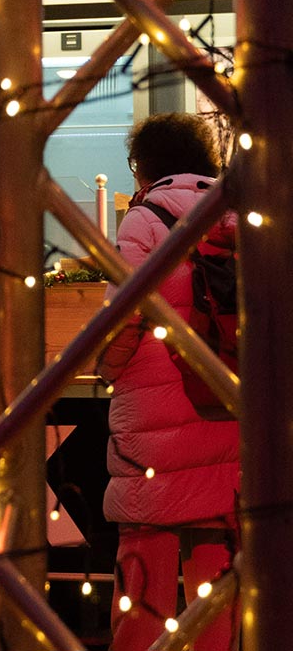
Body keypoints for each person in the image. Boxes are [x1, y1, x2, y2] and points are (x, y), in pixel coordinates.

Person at [95, 112, 238, 651]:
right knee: (215, 578)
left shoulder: (146, 216)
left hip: (153, 422)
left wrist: (109, 370)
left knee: (144, 576)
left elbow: (120, 320)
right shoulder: (237, 213)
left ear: (145, 166)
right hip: (225, 408)